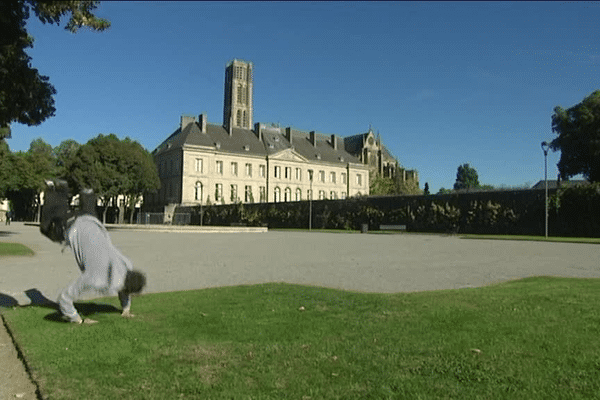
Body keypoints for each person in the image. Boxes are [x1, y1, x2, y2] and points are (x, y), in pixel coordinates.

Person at [40, 181, 146, 324]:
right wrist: (77, 320)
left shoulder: (126, 264)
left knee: (87, 194)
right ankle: (55, 189)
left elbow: (125, 287)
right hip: (72, 227)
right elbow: (64, 298)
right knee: (46, 228)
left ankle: (86, 188)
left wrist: (126, 308)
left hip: (92, 221)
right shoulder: (96, 278)